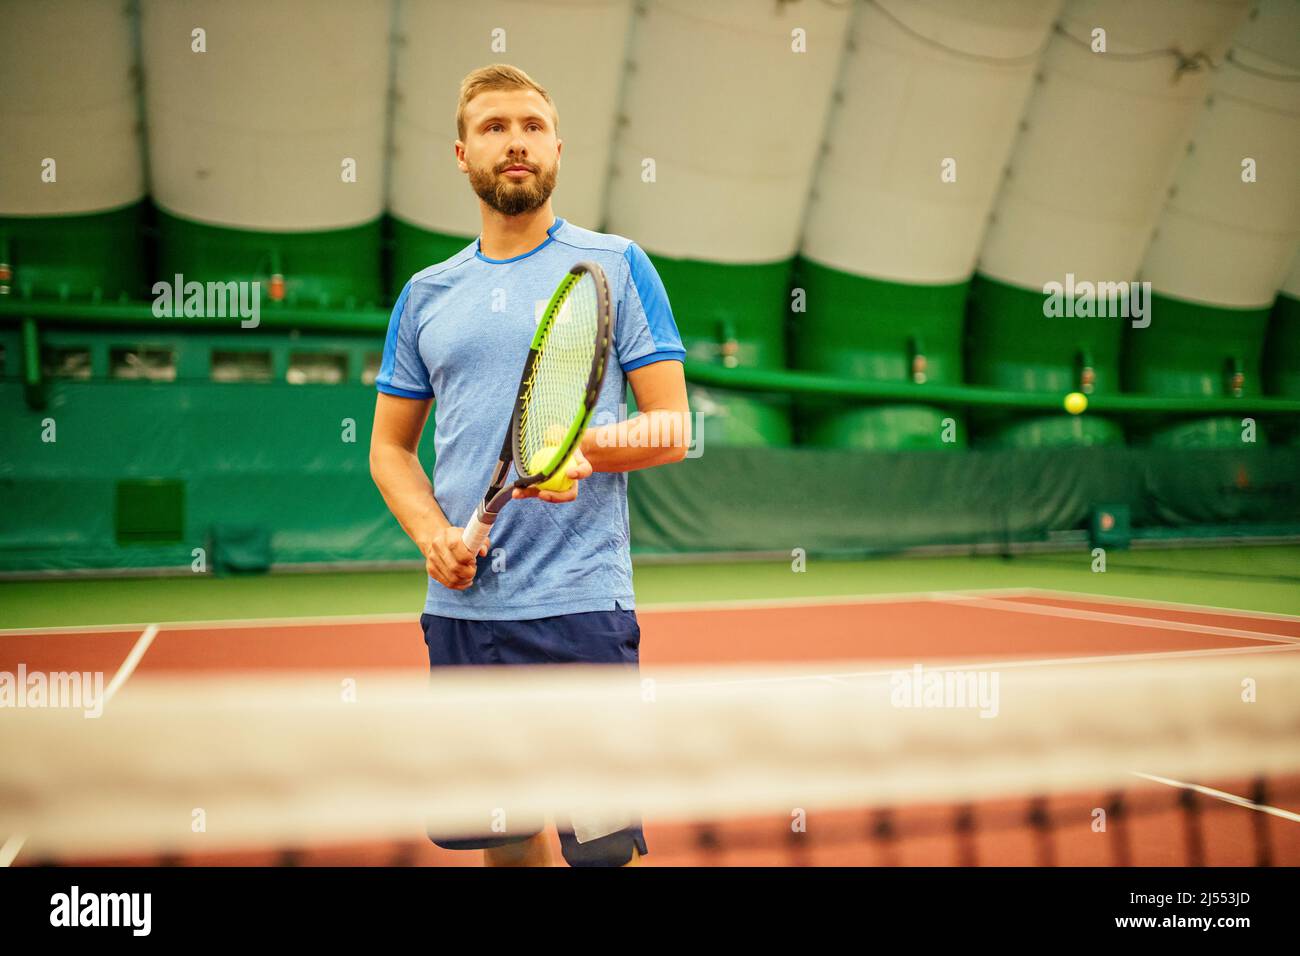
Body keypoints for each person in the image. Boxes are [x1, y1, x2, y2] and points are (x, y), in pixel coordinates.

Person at [369, 64, 690, 866]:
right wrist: (432, 534)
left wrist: (581, 449)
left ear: (556, 147)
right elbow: (389, 449)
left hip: (582, 606)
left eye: (531, 126)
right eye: (493, 127)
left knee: (603, 851)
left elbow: (674, 425)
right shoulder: (425, 294)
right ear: (461, 152)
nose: (515, 141)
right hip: (467, 617)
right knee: (504, 837)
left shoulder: (616, 264)